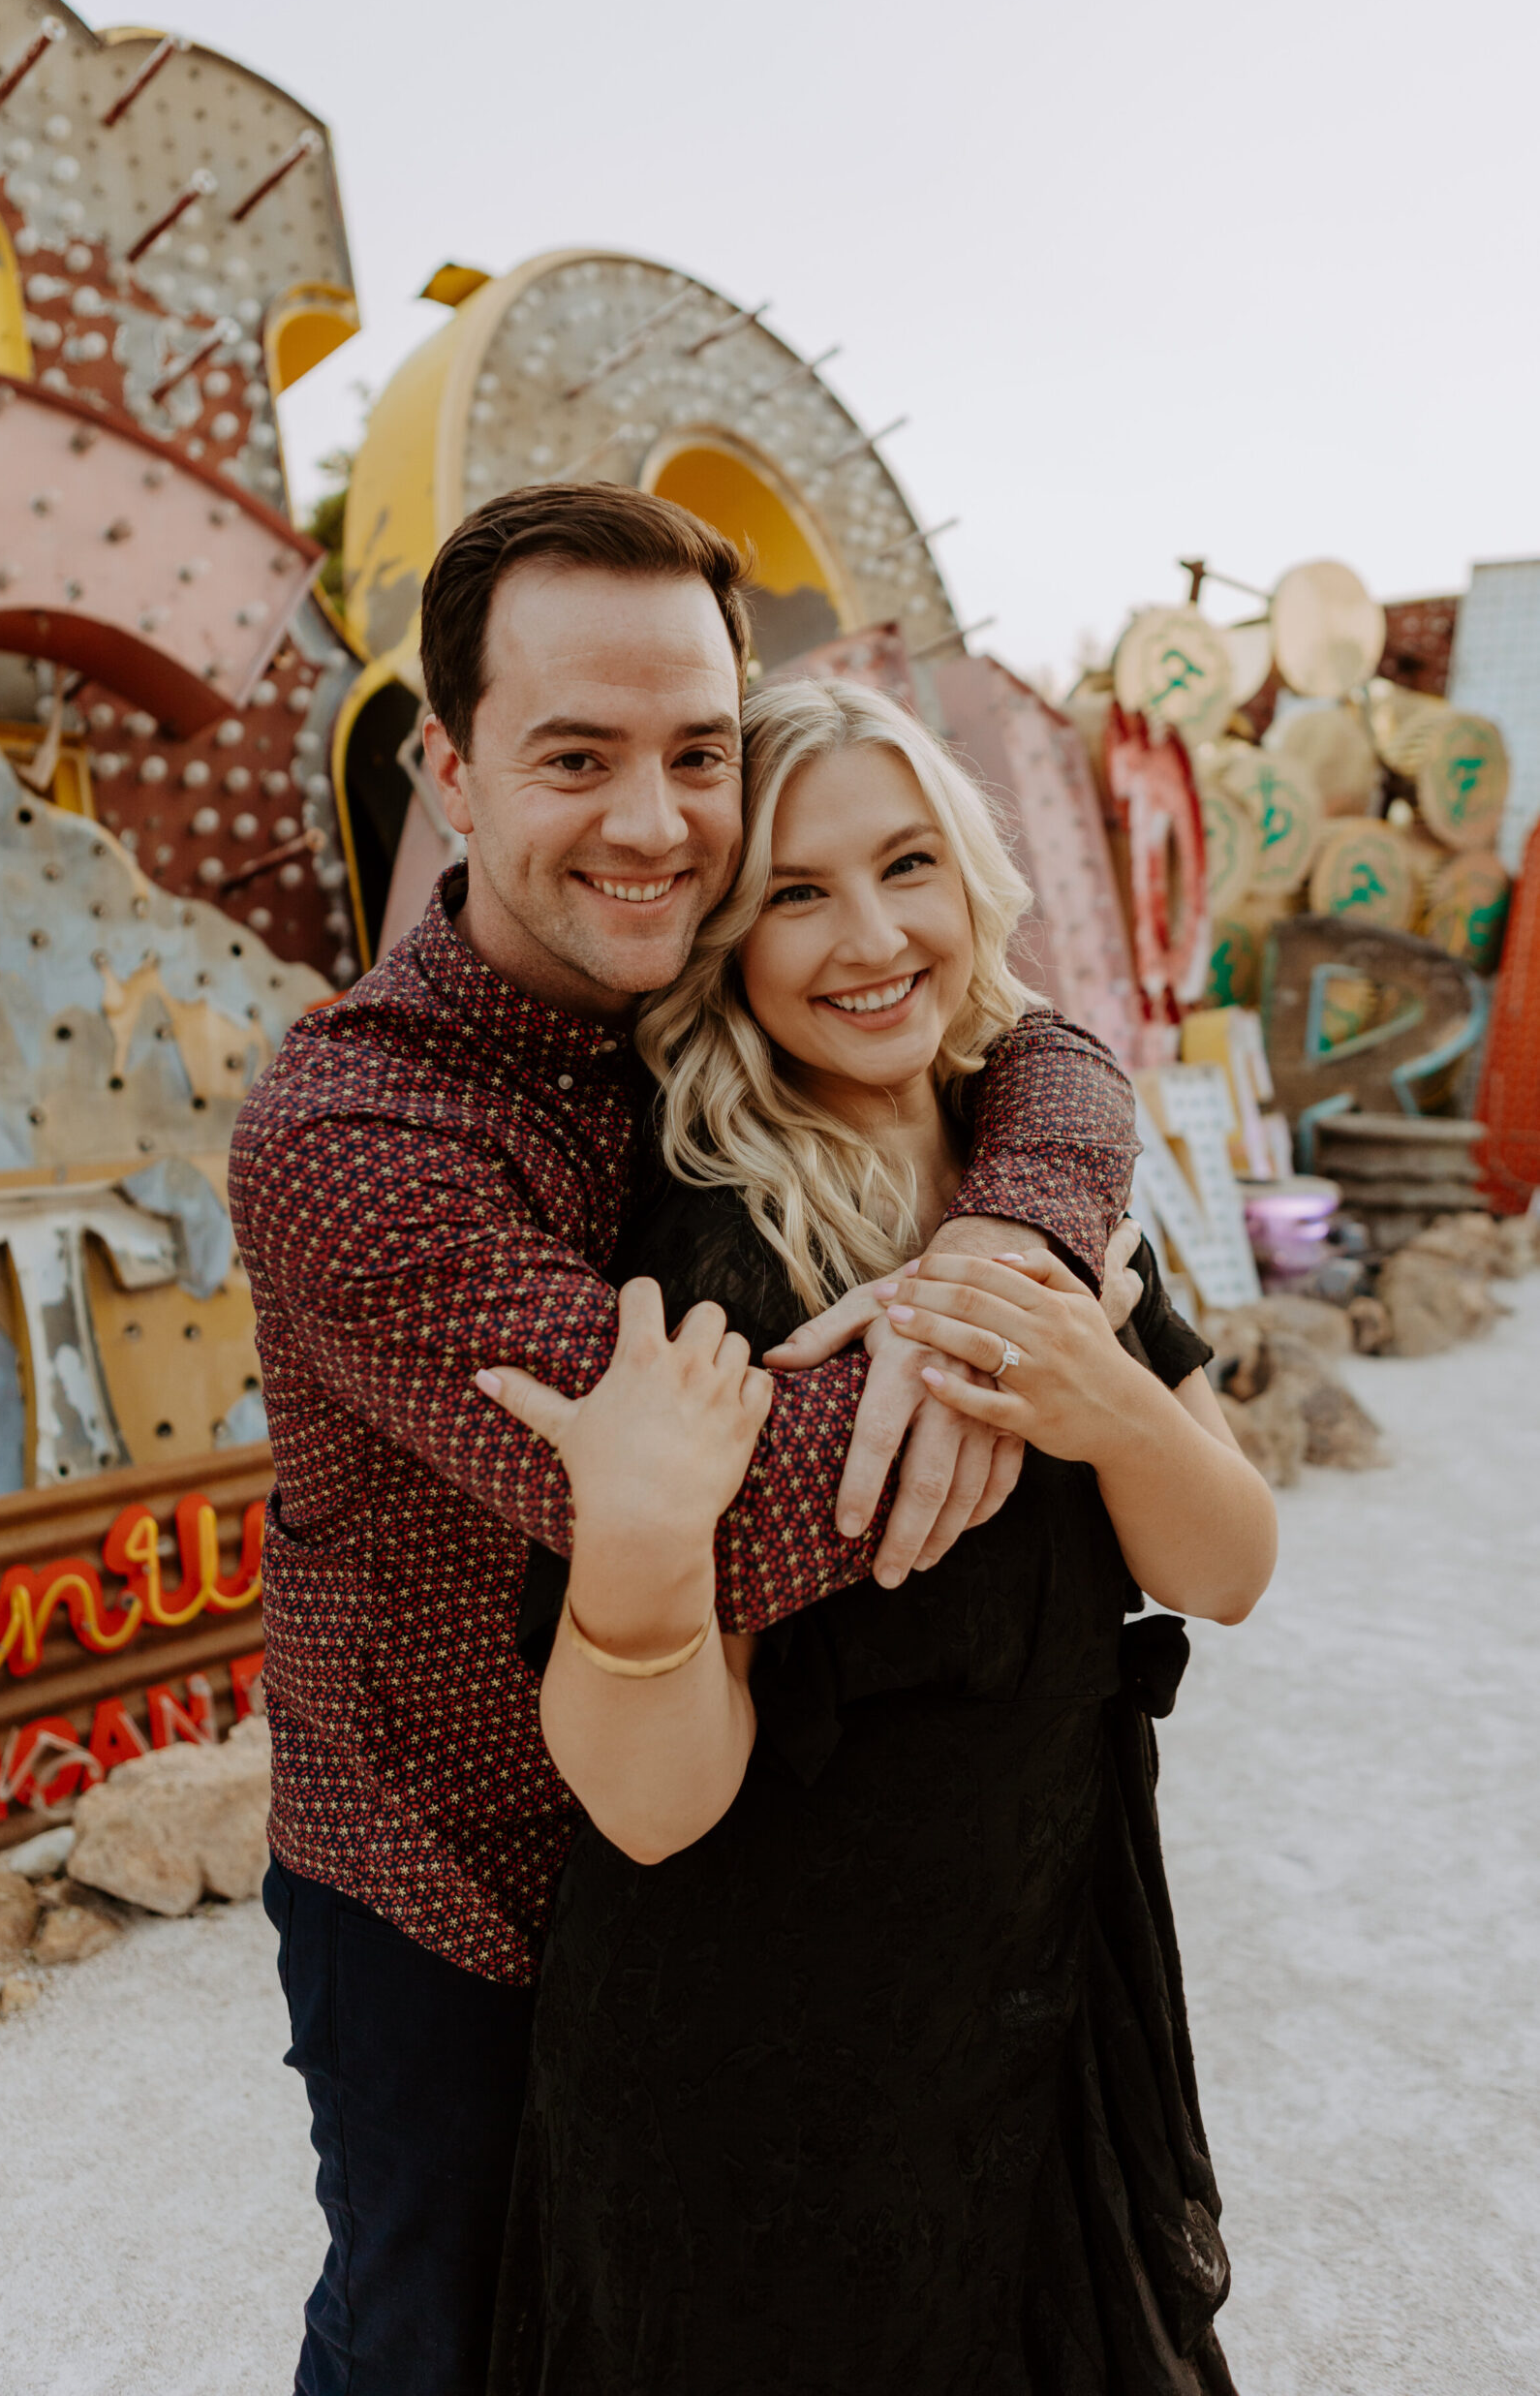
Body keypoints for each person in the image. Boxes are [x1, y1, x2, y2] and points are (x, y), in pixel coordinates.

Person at [230, 488, 1141, 2396]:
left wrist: (1009, 1226)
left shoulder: (685, 978)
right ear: (449, 771)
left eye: (695, 754)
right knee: (439, 2329)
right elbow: (704, 1512)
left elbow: (1019, 1027)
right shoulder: (357, 1138)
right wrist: (1015, 1360)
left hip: (716, 1871)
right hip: (451, 1873)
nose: (652, 821)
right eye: (575, 754)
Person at [480, 678, 1278, 2394]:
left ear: (971, 876)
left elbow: (1225, 1565)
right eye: (793, 890)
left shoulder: (1033, 1177)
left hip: (1045, 1988)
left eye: (905, 864)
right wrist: (642, 1565)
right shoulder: (705, 1252)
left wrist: (1097, 1389)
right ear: (725, 941)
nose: (870, 937)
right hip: (772, 2076)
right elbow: (651, 1796)